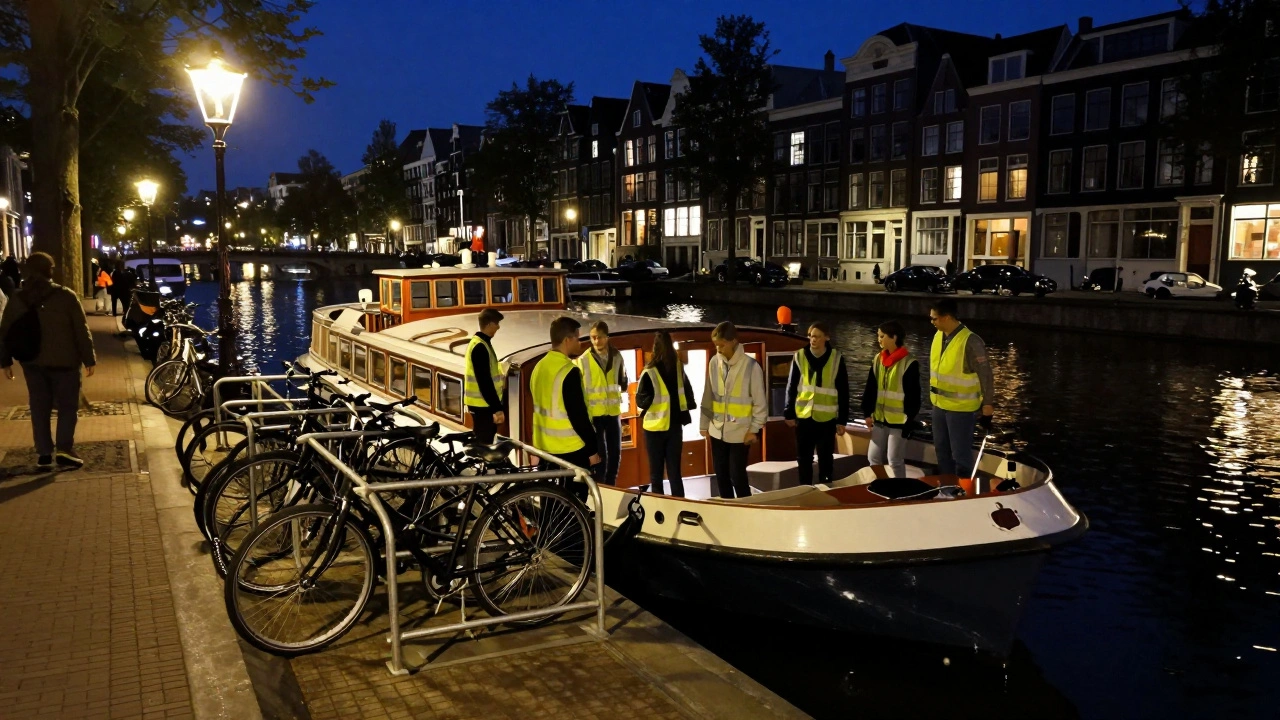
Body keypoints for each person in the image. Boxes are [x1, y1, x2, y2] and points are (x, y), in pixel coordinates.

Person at [0, 252, 96, 469]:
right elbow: (81, 329)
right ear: (50, 270)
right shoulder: (66, 296)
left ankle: (43, 452)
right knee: (67, 406)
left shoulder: (18, 298)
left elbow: (5, 331)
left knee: (39, 406)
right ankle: (64, 449)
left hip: (32, 362)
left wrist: (5, 361)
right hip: (66, 361)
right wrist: (88, 358)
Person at [927, 299, 995, 478]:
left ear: (947, 317)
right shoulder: (938, 337)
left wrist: (987, 405)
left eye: (934, 319)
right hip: (939, 405)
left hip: (961, 408)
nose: (932, 322)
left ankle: (963, 490)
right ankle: (948, 486)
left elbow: (986, 375)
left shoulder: (971, 341)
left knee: (960, 454)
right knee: (942, 450)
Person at [700, 321, 767, 499]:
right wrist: (704, 424)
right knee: (721, 476)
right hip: (717, 430)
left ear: (733, 341)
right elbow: (709, 395)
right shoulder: (714, 362)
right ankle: (727, 508)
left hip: (740, 432)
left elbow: (760, 402)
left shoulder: (751, 366)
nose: (718, 349)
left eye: (721, 345)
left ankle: (746, 508)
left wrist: (754, 430)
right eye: (716, 345)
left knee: (737, 476)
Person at [529, 316, 600, 472]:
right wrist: (592, 449)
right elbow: (578, 416)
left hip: (544, 449)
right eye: (577, 338)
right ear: (568, 340)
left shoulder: (538, 367)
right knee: (574, 496)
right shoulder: (569, 371)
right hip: (570, 449)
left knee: (548, 494)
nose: (580, 343)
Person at [784, 321, 849, 485]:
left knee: (826, 458)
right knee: (803, 458)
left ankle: (826, 486)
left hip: (826, 419)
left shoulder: (836, 359)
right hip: (804, 416)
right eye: (811, 336)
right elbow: (791, 386)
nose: (813, 340)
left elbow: (843, 390)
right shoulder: (799, 356)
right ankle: (804, 488)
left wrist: (842, 420)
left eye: (817, 337)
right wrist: (789, 412)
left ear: (826, 338)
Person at [636, 330, 697, 497]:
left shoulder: (649, 371)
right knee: (675, 473)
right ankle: (680, 504)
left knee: (656, 475)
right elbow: (687, 393)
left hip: (654, 429)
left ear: (655, 348)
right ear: (671, 347)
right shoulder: (678, 368)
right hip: (675, 427)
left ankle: (659, 512)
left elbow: (640, 401)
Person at [861, 320, 921, 478]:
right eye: (878, 336)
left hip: (900, 422)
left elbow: (914, 395)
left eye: (882, 336)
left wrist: (909, 419)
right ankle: (879, 486)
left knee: (894, 460)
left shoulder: (909, 363)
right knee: (873, 457)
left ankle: (899, 491)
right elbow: (871, 388)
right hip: (880, 419)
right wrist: (867, 412)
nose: (878, 339)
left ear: (894, 338)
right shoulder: (878, 359)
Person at [575, 320, 629, 486]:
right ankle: (600, 488)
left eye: (599, 337)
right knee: (600, 457)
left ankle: (611, 486)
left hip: (613, 413)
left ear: (607, 337)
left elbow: (624, 382)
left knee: (615, 455)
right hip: (594, 415)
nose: (596, 341)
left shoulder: (617, 357)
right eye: (593, 338)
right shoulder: (583, 360)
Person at [463, 308, 506, 445]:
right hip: (482, 405)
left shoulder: (481, 343)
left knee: (485, 441)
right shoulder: (480, 347)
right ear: (489, 325)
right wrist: (497, 408)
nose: (498, 327)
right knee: (485, 443)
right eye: (497, 323)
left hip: (481, 404)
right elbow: (485, 381)